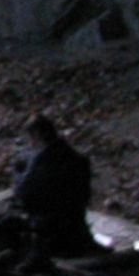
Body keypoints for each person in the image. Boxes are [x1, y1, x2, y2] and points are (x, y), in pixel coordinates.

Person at [12, 113, 99, 268]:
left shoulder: (43, 161)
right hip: (76, 225)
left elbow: (23, 194)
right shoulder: (75, 157)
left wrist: (17, 174)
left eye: (30, 137)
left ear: (37, 135)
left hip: (51, 230)